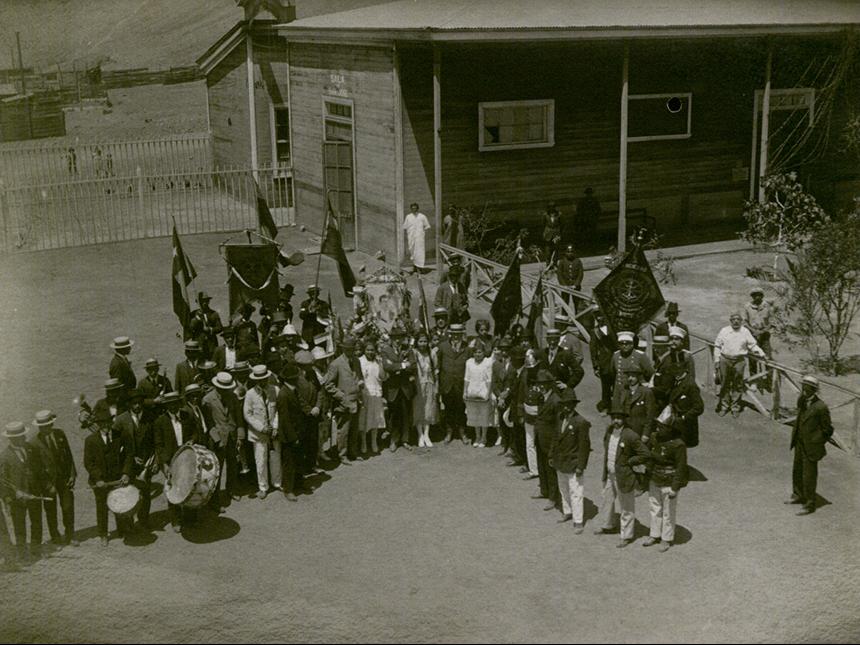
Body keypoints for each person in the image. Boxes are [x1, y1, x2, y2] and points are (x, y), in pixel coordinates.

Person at [594, 406, 650, 548]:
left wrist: (630, 462)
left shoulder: (630, 435)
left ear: (624, 419)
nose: (616, 421)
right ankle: (608, 525)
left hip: (624, 475)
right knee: (607, 500)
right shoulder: (609, 431)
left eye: (619, 418)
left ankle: (626, 535)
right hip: (610, 474)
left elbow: (645, 454)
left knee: (626, 507)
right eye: (614, 418)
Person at [787, 375, 834, 515]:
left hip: (811, 446)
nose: (804, 390)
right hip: (799, 442)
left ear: (814, 390)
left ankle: (810, 504)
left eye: (807, 388)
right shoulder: (801, 400)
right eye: (803, 387)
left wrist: (817, 441)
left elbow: (828, 429)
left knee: (809, 475)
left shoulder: (821, 407)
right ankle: (798, 495)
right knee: (797, 469)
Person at [1, 421, 47, 562]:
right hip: (17, 499)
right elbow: (2, 482)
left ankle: (36, 549)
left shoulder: (31, 449)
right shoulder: (4, 457)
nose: (24, 438)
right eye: (20, 437)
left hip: (33, 494)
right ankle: (22, 552)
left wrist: (41, 488)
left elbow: (39, 469)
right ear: (12, 438)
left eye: (24, 435)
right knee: (19, 525)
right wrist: (8, 498)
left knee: (37, 522)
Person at [84, 408, 131, 545]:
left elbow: (128, 455)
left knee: (119, 504)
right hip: (101, 482)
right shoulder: (90, 440)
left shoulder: (120, 435)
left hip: (117, 478)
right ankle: (103, 534)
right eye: (102, 423)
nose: (105, 426)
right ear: (98, 424)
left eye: (107, 423)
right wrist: (98, 479)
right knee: (102, 507)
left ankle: (122, 529)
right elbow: (89, 463)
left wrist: (126, 473)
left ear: (111, 422)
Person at [31, 410, 78, 546]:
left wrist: (72, 474)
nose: (45, 428)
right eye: (42, 426)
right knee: (50, 510)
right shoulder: (34, 443)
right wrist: (47, 485)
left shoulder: (60, 434)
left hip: (64, 479)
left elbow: (68, 455)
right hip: (48, 483)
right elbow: (37, 469)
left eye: (47, 425)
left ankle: (70, 534)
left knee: (68, 507)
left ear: (51, 424)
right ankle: (55, 535)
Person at [550, 389, 591, 533]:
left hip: (573, 463)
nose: (566, 407)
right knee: (563, 489)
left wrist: (581, 466)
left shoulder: (581, 422)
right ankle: (567, 511)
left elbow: (584, 447)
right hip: (560, 461)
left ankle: (578, 521)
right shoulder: (560, 417)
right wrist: (551, 456)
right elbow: (555, 439)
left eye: (569, 405)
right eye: (564, 404)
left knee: (576, 492)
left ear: (574, 405)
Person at [643, 421, 688, 552]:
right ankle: (654, 534)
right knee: (655, 508)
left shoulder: (678, 445)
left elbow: (681, 467)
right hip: (654, 478)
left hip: (669, 481)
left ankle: (666, 538)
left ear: (671, 429)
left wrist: (675, 487)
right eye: (658, 426)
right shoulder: (654, 438)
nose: (658, 428)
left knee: (668, 511)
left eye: (662, 427)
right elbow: (648, 457)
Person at [113, 390, 155, 529]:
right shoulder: (120, 420)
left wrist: (153, 461)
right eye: (134, 403)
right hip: (128, 464)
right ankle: (128, 522)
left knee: (145, 493)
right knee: (128, 492)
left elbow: (154, 442)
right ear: (128, 404)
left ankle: (144, 520)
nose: (137, 406)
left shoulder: (150, 417)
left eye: (139, 403)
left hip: (145, 463)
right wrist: (131, 458)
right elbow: (117, 447)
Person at [203, 372, 244, 507]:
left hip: (232, 437)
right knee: (217, 470)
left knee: (233, 466)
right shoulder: (208, 400)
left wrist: (239, 434)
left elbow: (238, 417)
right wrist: (216, 439)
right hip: (218, 440)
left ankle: (231, 490)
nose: (227, 391)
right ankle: (214, 500)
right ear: (218, 387)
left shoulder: (233, 397)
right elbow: (208, 423)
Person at [713, 312, 765, 417]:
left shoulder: (745, 331)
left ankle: (735, 407)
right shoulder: (724, 331)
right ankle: (724, 406)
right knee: (724, 383)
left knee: (738, 384)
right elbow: (717, 346)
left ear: (741, 321)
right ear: (730, 321)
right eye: (734, 319)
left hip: (739, 361)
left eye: (738, 320)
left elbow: (752, 344)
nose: (736, 321)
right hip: (725, 359)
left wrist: (761, 353)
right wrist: (717, 361)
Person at [243, 365, 282, 498]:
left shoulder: (275, 390)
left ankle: (277, 482)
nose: (263, 382)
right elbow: (248, 414)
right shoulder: (250, 394)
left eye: (264, 379)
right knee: (260, 460)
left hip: (274, 432)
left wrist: (275, 426)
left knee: (275, 458)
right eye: (259, 380)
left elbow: (278, 410)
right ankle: (263, 486)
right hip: (258, 433)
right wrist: (261, 427)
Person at [323, 336, 363, 462]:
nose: (351, 352)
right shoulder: (336, 364)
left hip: (356, 400)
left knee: (354, 429)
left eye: (353, 349)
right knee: (343, 430)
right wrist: (341, 396)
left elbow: (359, 376)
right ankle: (342, 454)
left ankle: (353, 452)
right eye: (349, 349)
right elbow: (328, 385)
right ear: (343, 349)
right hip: (343, 403)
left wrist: (360, 384)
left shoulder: (356, 361)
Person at [379, 328, 416, 452]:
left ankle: (405, 440)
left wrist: (397, 367)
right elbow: (387, 366)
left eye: (400, 337)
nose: (398, 340)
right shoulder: (386, 350)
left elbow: (413, 365)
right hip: (393, 388)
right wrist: (403, 365)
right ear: (391, 338)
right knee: (393, 415)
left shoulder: (408, 349)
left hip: (405, 388)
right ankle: (394, 440)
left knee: (406, 414)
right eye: (395, 338)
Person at [532, 369, 562, 511]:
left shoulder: (556, 400)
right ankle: (544, 490)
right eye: (539, 383)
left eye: (544, 384)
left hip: (550, 440)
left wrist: (555, 445)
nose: (541, 386)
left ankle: (553, 497)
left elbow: (558, 425)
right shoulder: (541, 397)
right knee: (541, 466)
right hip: (540, 437)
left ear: (550, 384)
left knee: (551, 470)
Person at [437, 324, 470, 444]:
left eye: (459, 334)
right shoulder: (442, 346)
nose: (456, 336)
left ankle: (462, 432)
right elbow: (438, 366)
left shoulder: (467, 348)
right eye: (454, 334)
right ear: (450, 334)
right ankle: (449, 432)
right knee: (448, 409)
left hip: (461, 385)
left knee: (461, 409)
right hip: (447, 384)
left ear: (462, 334)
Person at [276, 363, 304, 501]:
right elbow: (285, 420)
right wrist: (294, 437)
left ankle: (298, 484)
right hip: (289, 436)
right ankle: (288, 489)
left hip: (297, 431)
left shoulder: (293, 390)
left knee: (298, 460)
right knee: (289, 463)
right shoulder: (283, 394)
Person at [653, 327, 696, 408]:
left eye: (676, 339)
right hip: (665, 394)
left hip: (680, 394)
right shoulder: (666, 356)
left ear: (682, 342)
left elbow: (691, 376)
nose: (673, 341)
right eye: (671, 339)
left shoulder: (686, 356)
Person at [608, 331, 653, 408]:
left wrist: (643, 383)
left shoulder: (640, 355)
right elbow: (612, 373)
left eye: (627, 343)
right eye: (621, 344)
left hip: (635, 391)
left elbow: (650, 372)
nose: (624, 346)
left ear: (632, 344)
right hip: (619, 390)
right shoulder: (615, 355)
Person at [359, 342, 387, 455]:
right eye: (368, 350)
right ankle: (363, 442)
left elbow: (382, 377)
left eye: (372, 350)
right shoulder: (360, 361)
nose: (370, 352)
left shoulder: (377, 361)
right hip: (365, 394)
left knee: (375, 419)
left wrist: (380, 364)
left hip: (376, 393)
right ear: (364, 350)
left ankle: (374, 442)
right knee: (364, 419)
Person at [464, 343, 494, 448]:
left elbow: (489, 379)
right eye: (475, 352)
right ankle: (477, 436)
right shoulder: (469, 362)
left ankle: (484, 437)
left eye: (480, 352)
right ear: (473, 353)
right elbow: (466, 378)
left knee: (484, 415)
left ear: (484, 352)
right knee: (475, 415)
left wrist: (488, 393)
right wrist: (465, 391)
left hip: (483, 391)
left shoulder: (487, 363)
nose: (478, 354)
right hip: (472, 391)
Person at [744, 287, 773, 391]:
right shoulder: (747, 307)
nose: (757, 297)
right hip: (752, 335)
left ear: (762, 296)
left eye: (759, 295)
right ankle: (754, 381)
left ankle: (769, 382)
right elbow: (745, 323)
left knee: (767, 358)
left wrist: (762, 331)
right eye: (755, 295)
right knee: (753, 358)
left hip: (764, 335)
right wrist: (753, 331)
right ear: (752, 296)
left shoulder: (767, 306)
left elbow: (771, 322)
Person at [412, 332, 439, 448]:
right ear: (416, 342)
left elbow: (436, 369)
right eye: (420, 341)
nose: (423, 344)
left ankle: (427, 434)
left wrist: (437, 385)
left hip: (429, 383)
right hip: (417, 384)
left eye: (425, 341)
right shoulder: (413, 353)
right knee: (418, 409)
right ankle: (420, 435)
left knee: (429, 408)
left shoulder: (431, 353)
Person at [667, 368, 704, 448]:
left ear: (685, 371)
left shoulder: (690, 385)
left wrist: (684, 417)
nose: (676, 374)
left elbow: (699, 408)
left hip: (687, 428)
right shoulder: (676, 381)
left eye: (679, 372)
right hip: (676, 424)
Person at [618, 366, 656, 443]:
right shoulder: (624, 391)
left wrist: (646, 434)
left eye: (633, 376)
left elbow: (650, 415)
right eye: (628, 376)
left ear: (638, 377)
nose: (630, 378)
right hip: (626, 429)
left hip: (639, 431)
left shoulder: (646, 392)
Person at [589, 313, 617, 414]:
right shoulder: (595, 331)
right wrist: (595, 365)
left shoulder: (613, 327)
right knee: (605, 386)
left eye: (601, 315)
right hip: (604, 362)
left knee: (617, 385)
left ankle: (616, 408)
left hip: (615, 360)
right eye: (597, 316)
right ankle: (606, 406)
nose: (599, 318)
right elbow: (593, 349)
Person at [491, 337, 515, 453]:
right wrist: (499, 396)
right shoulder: (496, 364)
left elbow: (515, 382)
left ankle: (512, 447)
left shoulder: (514, 364)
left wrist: (507, 393)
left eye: (507, 350)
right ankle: (505, 445)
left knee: (510, 422)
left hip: (511, 398)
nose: (504, 352)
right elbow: (494, 383)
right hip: (500, 399)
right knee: (501, 422)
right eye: (502, 350)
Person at [545, 327, 584, 393]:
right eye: (550, 339)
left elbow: (579, 371)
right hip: (545, 389)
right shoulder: (542, 353)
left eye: (555, 339)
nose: (552, 342)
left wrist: (568, 385)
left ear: (558, 340)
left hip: (560, 391)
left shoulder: (565, 354)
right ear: (547, 339)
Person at [189, 292, 223, 359]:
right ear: (198, 302)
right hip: (199, 345)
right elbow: (190, 328)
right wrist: (197, 319)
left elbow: (220, 328)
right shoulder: (193, 314)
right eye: (202, 301)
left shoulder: (214, 313)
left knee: (212, 361)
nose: (204, 303)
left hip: (211, 344)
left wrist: (210, 329)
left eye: (206, 301)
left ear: (208, 301)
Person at [404, 202, 431, 272]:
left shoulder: (422, 216)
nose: (414, 210)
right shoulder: (408, 217)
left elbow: (427, 226)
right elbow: (405, 226)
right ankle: (415, 266)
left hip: (419, 238)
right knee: (412, 251)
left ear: (417, 209)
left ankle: (420, 267)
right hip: (411, 238)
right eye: (412, 208)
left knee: (419, 252)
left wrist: (422, 232)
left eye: (415, 208)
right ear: (411, 209)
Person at [556, 245, 584, 310]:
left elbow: (581, 274)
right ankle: (564, 317)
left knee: (577, 303)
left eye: (571, 252)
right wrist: (564, 285)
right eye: (568, 252)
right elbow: (559, 274)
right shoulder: (562, 261)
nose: (570, 253)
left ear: (574, 252)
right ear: (565, 253)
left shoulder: (578, 261)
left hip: (575, 286)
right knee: (565, 303)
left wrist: (576, 284)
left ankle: (578, 317)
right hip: (565, 285)